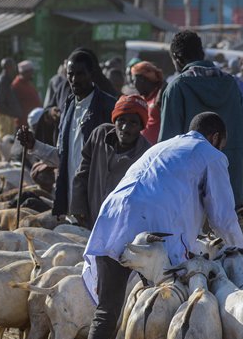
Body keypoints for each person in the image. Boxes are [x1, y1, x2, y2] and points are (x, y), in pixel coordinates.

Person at [82, 112, 243, 339]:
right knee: (170, 303)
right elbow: (222, 216)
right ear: (215, 137)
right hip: (154, 229)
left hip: (114, 219)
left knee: (108, 309)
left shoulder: (164, 145)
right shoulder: (211, 155)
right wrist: (240, 248)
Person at [17, 49, 117, 218]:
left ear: (92, 74)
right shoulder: (69, 106)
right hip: (72, 203)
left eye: (80, 74)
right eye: (71, 74)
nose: (74, 79)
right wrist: (34, 145)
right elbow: (63, 158)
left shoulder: (108, 107)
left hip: (99, 204)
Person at [159, 31, 243, 207]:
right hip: (231, 185)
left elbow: (166, 147)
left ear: (177, 58)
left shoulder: (177, 88)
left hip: (189, 192)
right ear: (201, 53)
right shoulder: (231, 85)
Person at [70, 93, 151, 231]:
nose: (125, 128)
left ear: (141, 127)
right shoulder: (99, 135)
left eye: (133, 122)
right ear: (115, 121)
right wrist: (78, 206)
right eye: (122, 120)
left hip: (123, 228)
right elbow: (82, 172)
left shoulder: (147, 155)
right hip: (92, 220)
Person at [130, 61, 164, 143]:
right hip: (142, 148)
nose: (133, 84)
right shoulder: (142, 98)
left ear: (142, 79)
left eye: (134, 80)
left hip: (158, 147)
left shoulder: (161, 94)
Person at [0, 57, 21, 139]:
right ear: (8, 67)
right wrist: (9, 113)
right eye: (13, 66)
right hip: (3, 115)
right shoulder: (2, 81)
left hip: (7, 115)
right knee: (4, 141)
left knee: (9, 140)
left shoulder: (7, 79)